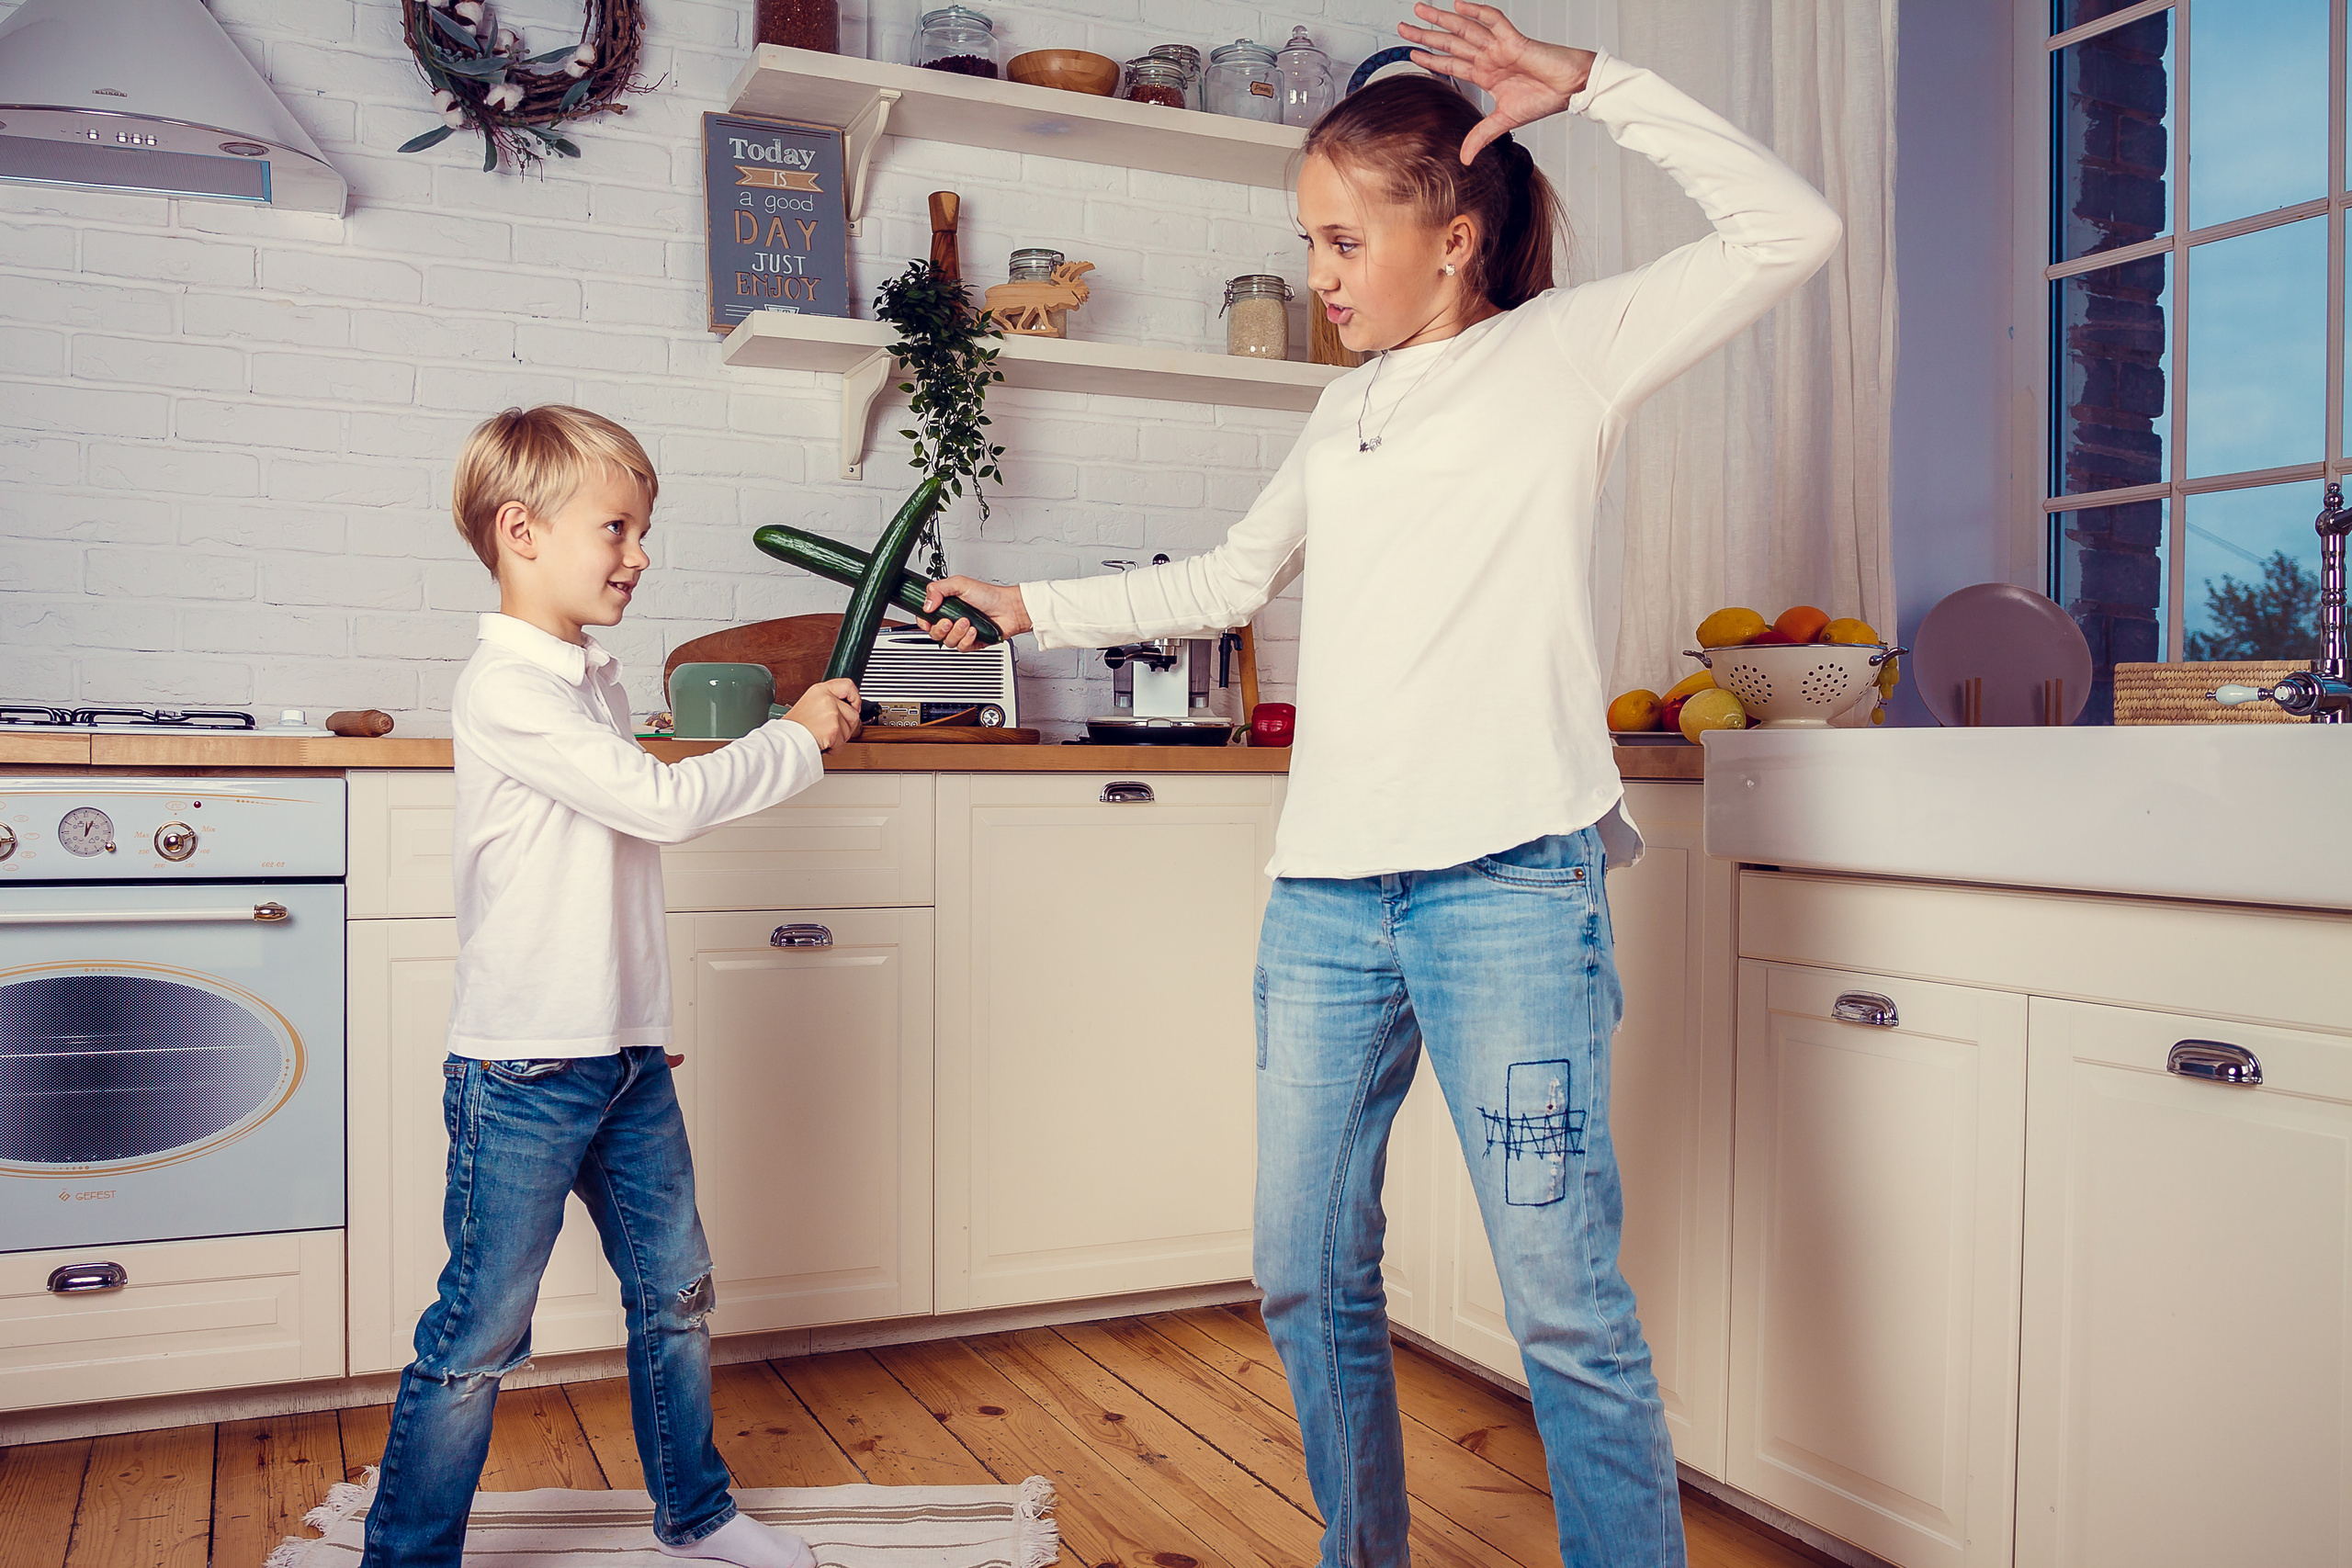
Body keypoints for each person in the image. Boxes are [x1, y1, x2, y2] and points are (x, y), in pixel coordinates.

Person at [916, 6, 1841, 1565]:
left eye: (1343, 242)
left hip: (1508, 889)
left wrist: (1600, 87)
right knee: (1302, 1269)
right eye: (1308, 240)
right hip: (1328, 898)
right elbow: (1226, 576)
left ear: (1456, 236)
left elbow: (1791, 227)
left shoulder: (1565, 354)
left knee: (1565, 1306)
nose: (1320, 273)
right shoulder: (1341, 407)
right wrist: (1028, 606)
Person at [360, 405, 863, 1568]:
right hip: (526, 1072)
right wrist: (797, 735)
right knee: (481, 1335)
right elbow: (662, 806)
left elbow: (602, 873)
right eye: (619, 528)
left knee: (675, 1295)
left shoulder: (587, 680)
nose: (640, 553)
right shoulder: (506, 689)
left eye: (643, 529)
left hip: (622, 1059)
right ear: (521, 532)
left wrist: (641, 1018)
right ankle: (406, 1555)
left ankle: (697, 1512)